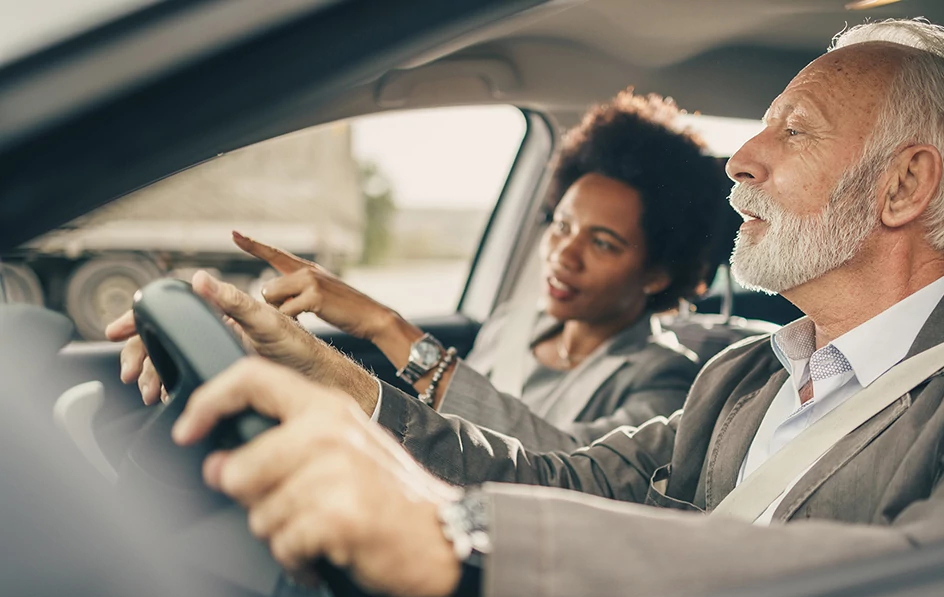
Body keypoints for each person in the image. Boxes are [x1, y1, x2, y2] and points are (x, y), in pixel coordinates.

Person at [118, 18, 944, 597]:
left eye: (792, 130)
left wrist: (463, 544)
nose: (742, 159)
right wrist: (339, 386)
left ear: (906, 184)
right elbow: (564, 478)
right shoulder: (745, 377)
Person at [119, 90, 728, 450]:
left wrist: (384, 324)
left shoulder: (668, 382)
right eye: (561, 226)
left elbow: (560, 466)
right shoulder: (511, 325)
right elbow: (435, 433)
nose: (564, 254)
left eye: (604, 243)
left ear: (657, 272)